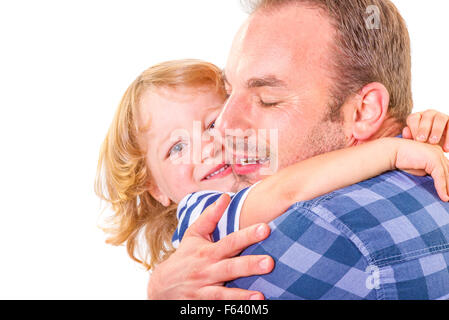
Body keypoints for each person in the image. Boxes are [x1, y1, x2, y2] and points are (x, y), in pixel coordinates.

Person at [147, 0, 449, 299]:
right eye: (228, 93)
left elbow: (287, 191)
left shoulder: (302, 236)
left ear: (363, 111)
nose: (223, 128)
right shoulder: (428, 171)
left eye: (267, 99)